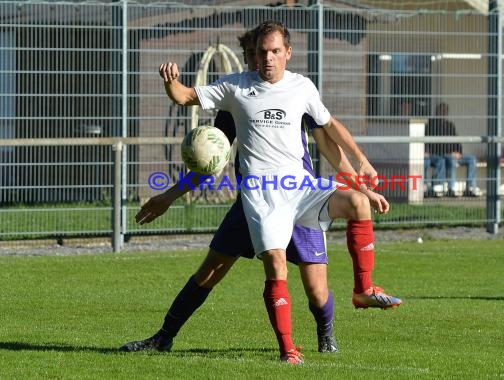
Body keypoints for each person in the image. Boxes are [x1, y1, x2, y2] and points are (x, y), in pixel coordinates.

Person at [156, 20, 401, 364]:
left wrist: (360, 174)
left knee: (318, 288)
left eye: (272, 52)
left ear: (287, 53)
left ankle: (342, 313)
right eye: (258, 53)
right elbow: (206, 151)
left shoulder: (300, 89)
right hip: (256, 199)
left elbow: (329, 137)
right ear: (251, 55)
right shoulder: (234, 95)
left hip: (298, 192)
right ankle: (171, 338)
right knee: (224, 269)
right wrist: (172, 85)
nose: (264, 59)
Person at [425, 102, 482, 197]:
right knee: (450, 160)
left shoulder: (450, 125)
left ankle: (470, 188)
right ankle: (451, 188)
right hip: (441, 153)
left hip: (453, 153)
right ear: (437, 112)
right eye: (441, 111)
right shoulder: (431, 125)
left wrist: (458, 152)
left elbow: (456, 141)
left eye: (445, 111)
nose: (443, 113)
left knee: (471, 159)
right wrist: (450, 153)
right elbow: (433, 144)